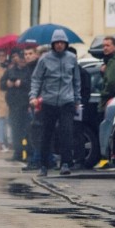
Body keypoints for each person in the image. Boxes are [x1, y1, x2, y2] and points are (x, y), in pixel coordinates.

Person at [29, 29, 81, 177]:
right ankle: (44, 165)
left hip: (67, 101)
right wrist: (33, 96)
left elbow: (76, 80)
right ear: (53, 44)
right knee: (47, 133)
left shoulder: (71, 58)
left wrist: (77, 99)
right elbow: (36, 78)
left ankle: (65, 163)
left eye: (62, 42)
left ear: (66, 44)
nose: (59, 45)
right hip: (49, 101)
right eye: (56, 42)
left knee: (66, 132)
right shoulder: (44, 59)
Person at [94, 36, 115, 169]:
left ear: (114, 46)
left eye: (108, 45)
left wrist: (106, 94)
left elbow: (112, 82)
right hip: (114, 100)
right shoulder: (112, 61)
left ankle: (105, 159)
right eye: (103, 45)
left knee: (106, 130)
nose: (105, 48)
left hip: (110, 101)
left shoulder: (113, 62)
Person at [2, 48, 31, 162]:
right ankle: (17, 153)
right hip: (13, 105)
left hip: (25, 104)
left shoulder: (29, 70)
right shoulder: (10, 70)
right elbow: (1, 84)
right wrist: (7, 83)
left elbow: (32, 83)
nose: (22, 60)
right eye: (21, 58)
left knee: (26, 130)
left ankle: (28, 153)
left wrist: (22, 83)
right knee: (15, 130)